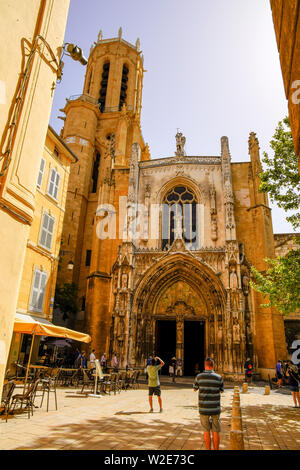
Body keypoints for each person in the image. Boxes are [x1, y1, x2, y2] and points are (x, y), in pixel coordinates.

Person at [194, 357, 224, 451]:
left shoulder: (199, 376)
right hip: (215, 408)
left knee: (206, 431)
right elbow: (222, 391)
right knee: (216, 431)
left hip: (203, 408)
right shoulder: (219, 377)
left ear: (205, 365)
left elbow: (195, 389)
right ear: (213, 365)